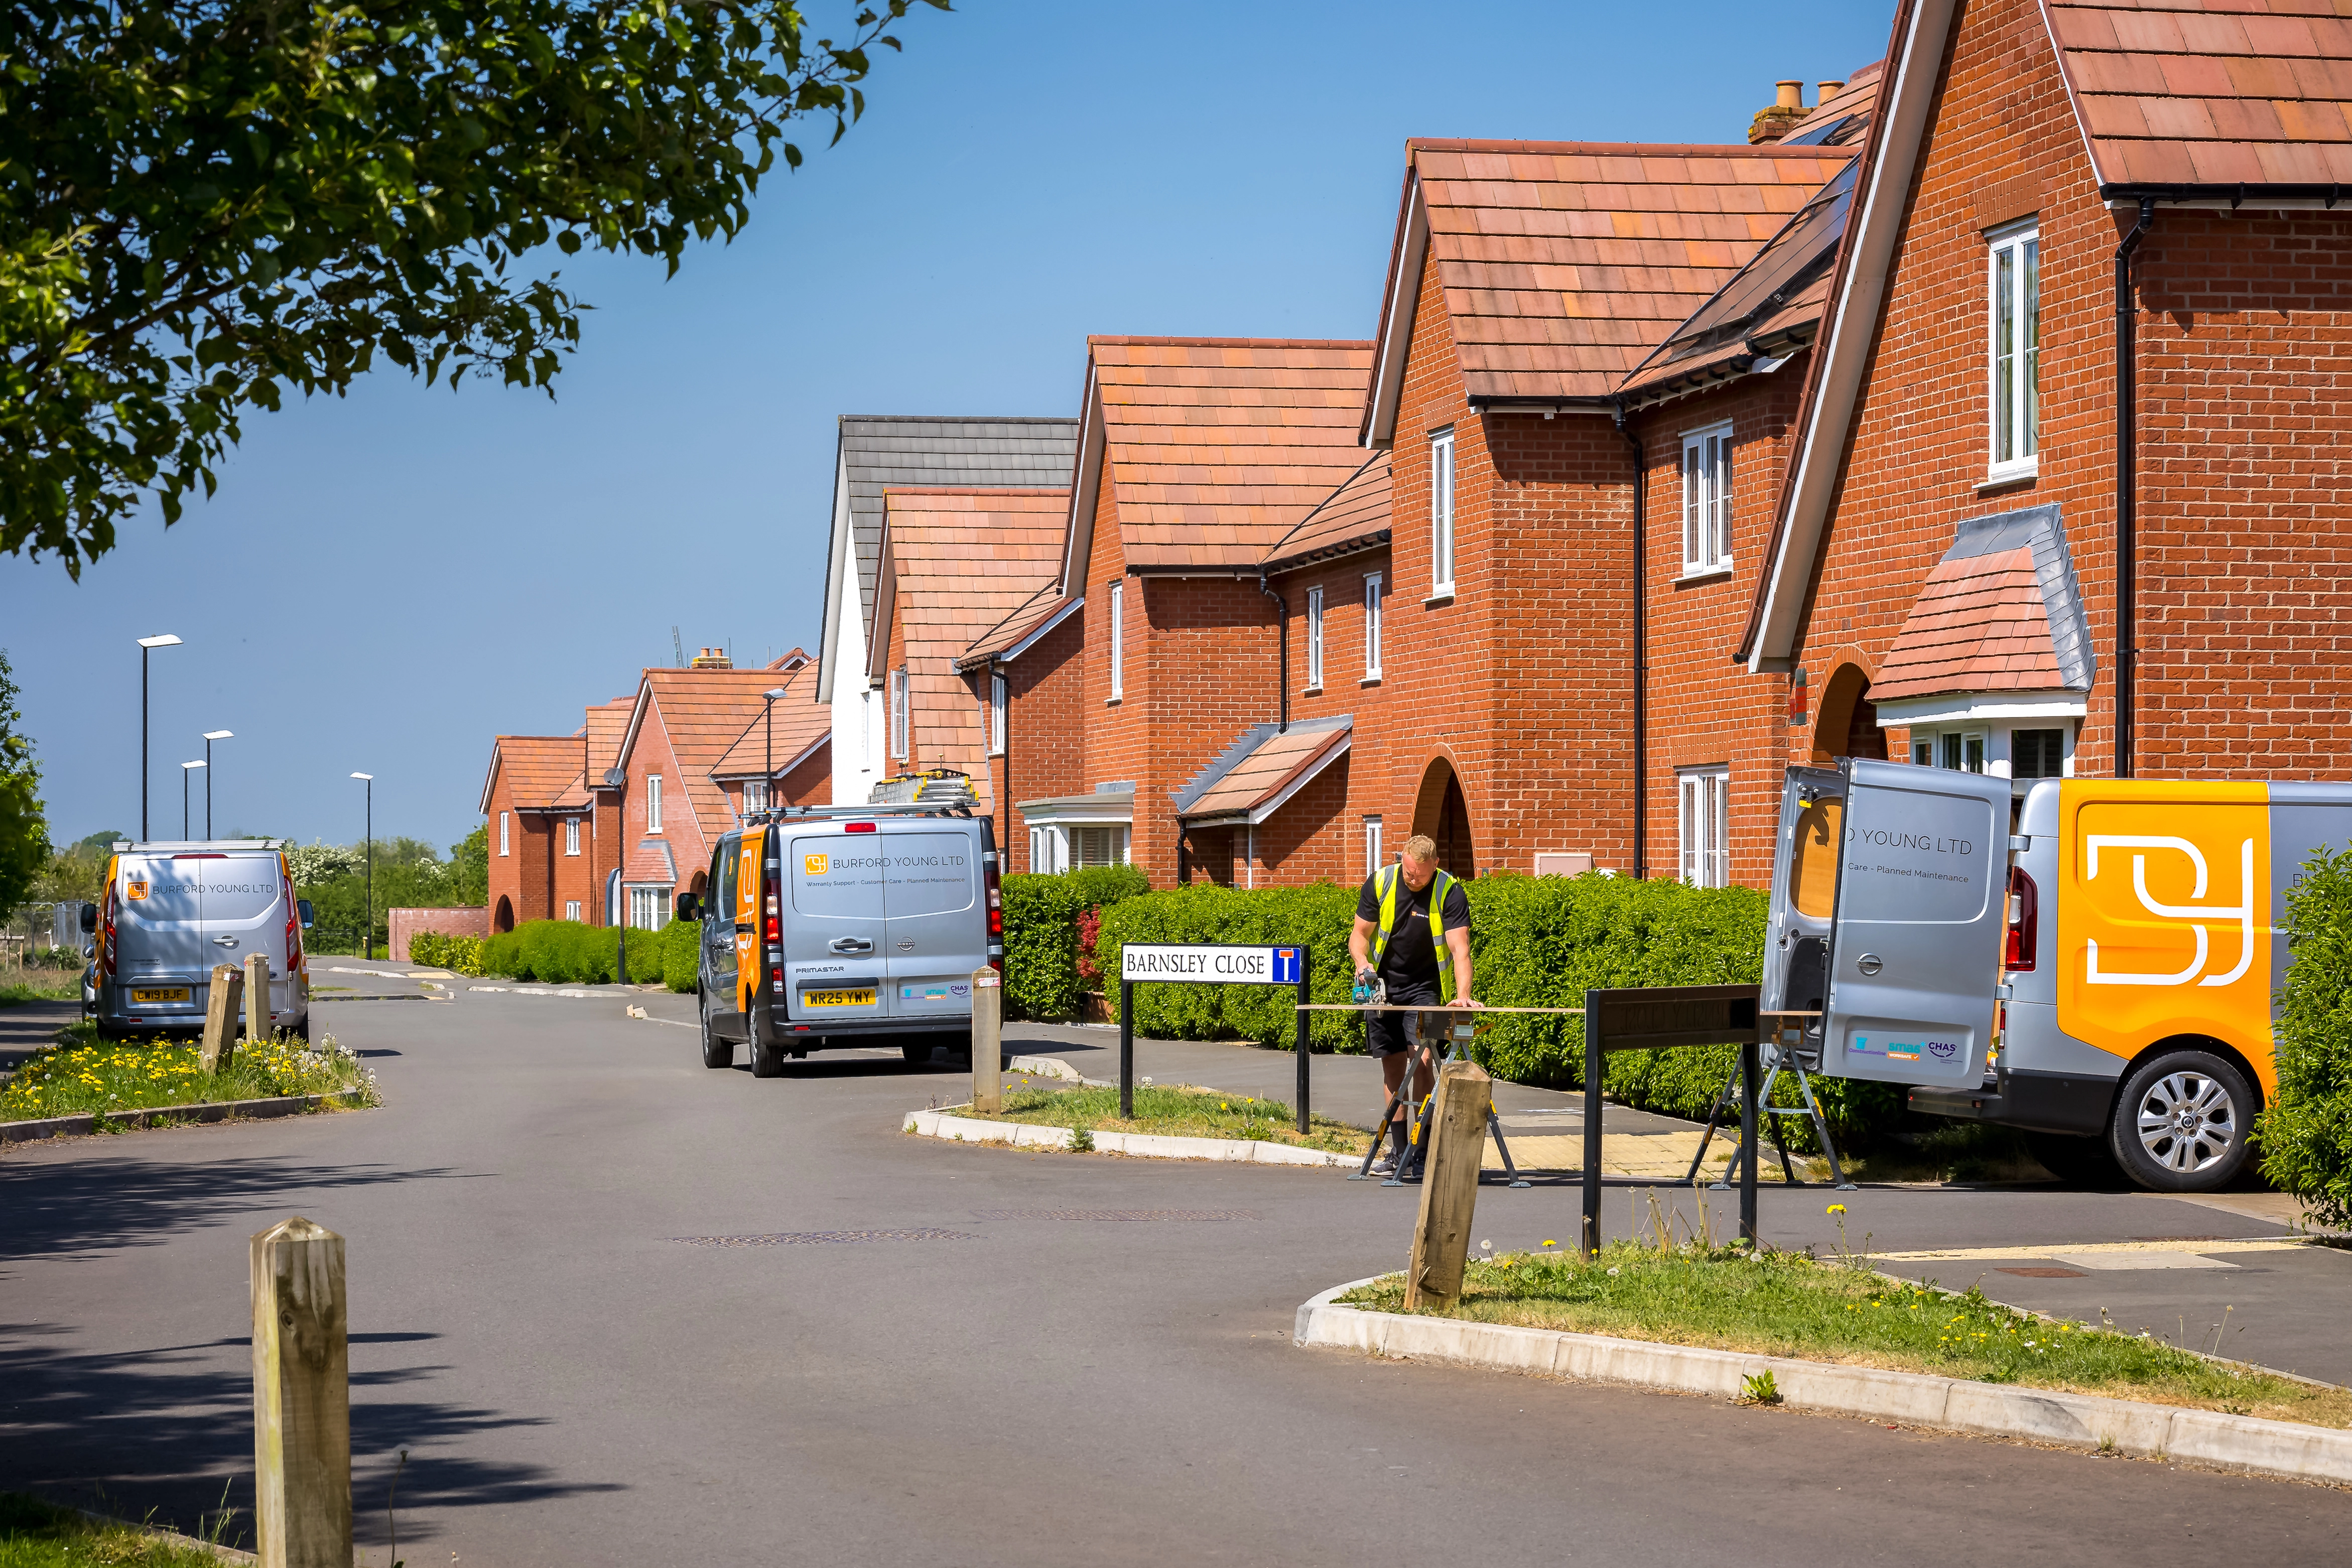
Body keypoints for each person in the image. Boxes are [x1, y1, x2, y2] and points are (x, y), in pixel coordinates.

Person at [1348, 834, 1481, 1175]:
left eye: (1420, 873)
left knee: (1422, 1063)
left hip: (1424, 988)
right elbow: (1359, 936)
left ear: (1434, 865)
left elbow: (1460, 949)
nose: (1413, 878)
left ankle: (1423, 1153)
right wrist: (1363, 965)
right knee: (1392, 1067)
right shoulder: (1381, 881)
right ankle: (1399, 1152)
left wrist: (1463, 994)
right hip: (1382, 986)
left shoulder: (1449, 891)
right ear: (1402, 860)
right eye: (1408, 871)